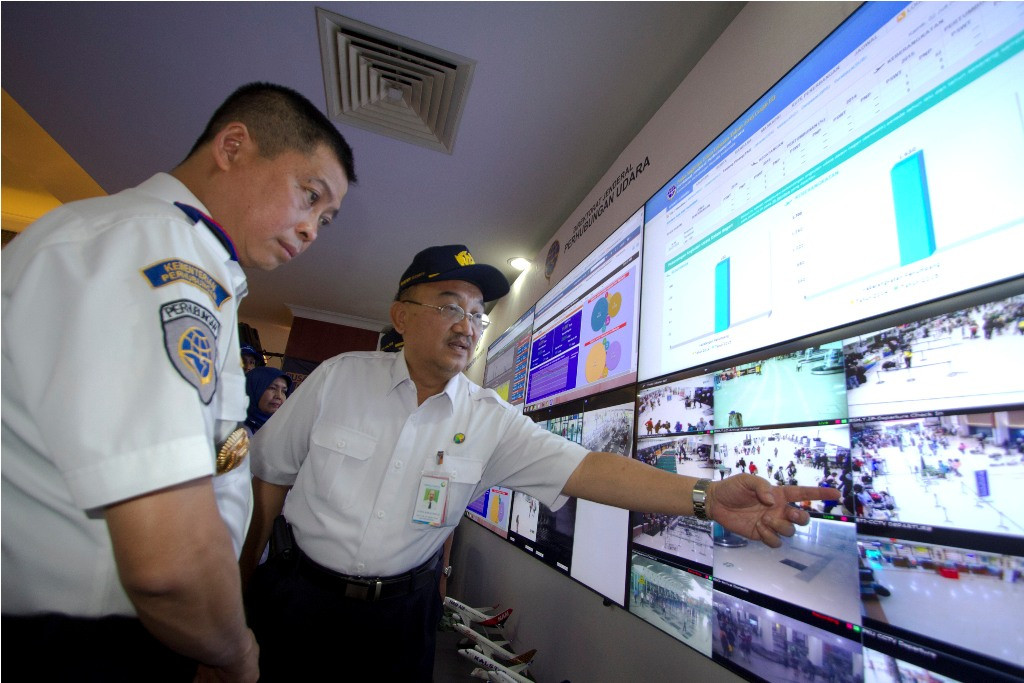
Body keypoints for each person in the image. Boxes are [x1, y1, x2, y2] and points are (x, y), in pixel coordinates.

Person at [239, 245, 838, 681]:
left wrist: (706, 498)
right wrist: (240, 586)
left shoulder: (488, 417)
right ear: (401, 316)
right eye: (450, 306)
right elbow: (270, 477)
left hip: (400, 620)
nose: (468, 326)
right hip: (298, 600)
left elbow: (591, 470)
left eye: (476, 314)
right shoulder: (338, 377)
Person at [1, 82, 355, 681]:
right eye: (309, 195)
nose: (312, 231)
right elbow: (166, 561)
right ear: (234, 146)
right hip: (77, 644)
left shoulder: (188, 268)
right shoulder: (156, 251)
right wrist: (234, 652)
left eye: (326, 219)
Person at [243, 367, 293, 436]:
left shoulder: (286, 431)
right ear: (252, 390)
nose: (279, 396)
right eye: (272, 388)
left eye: (284, 391)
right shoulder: (231, 430)